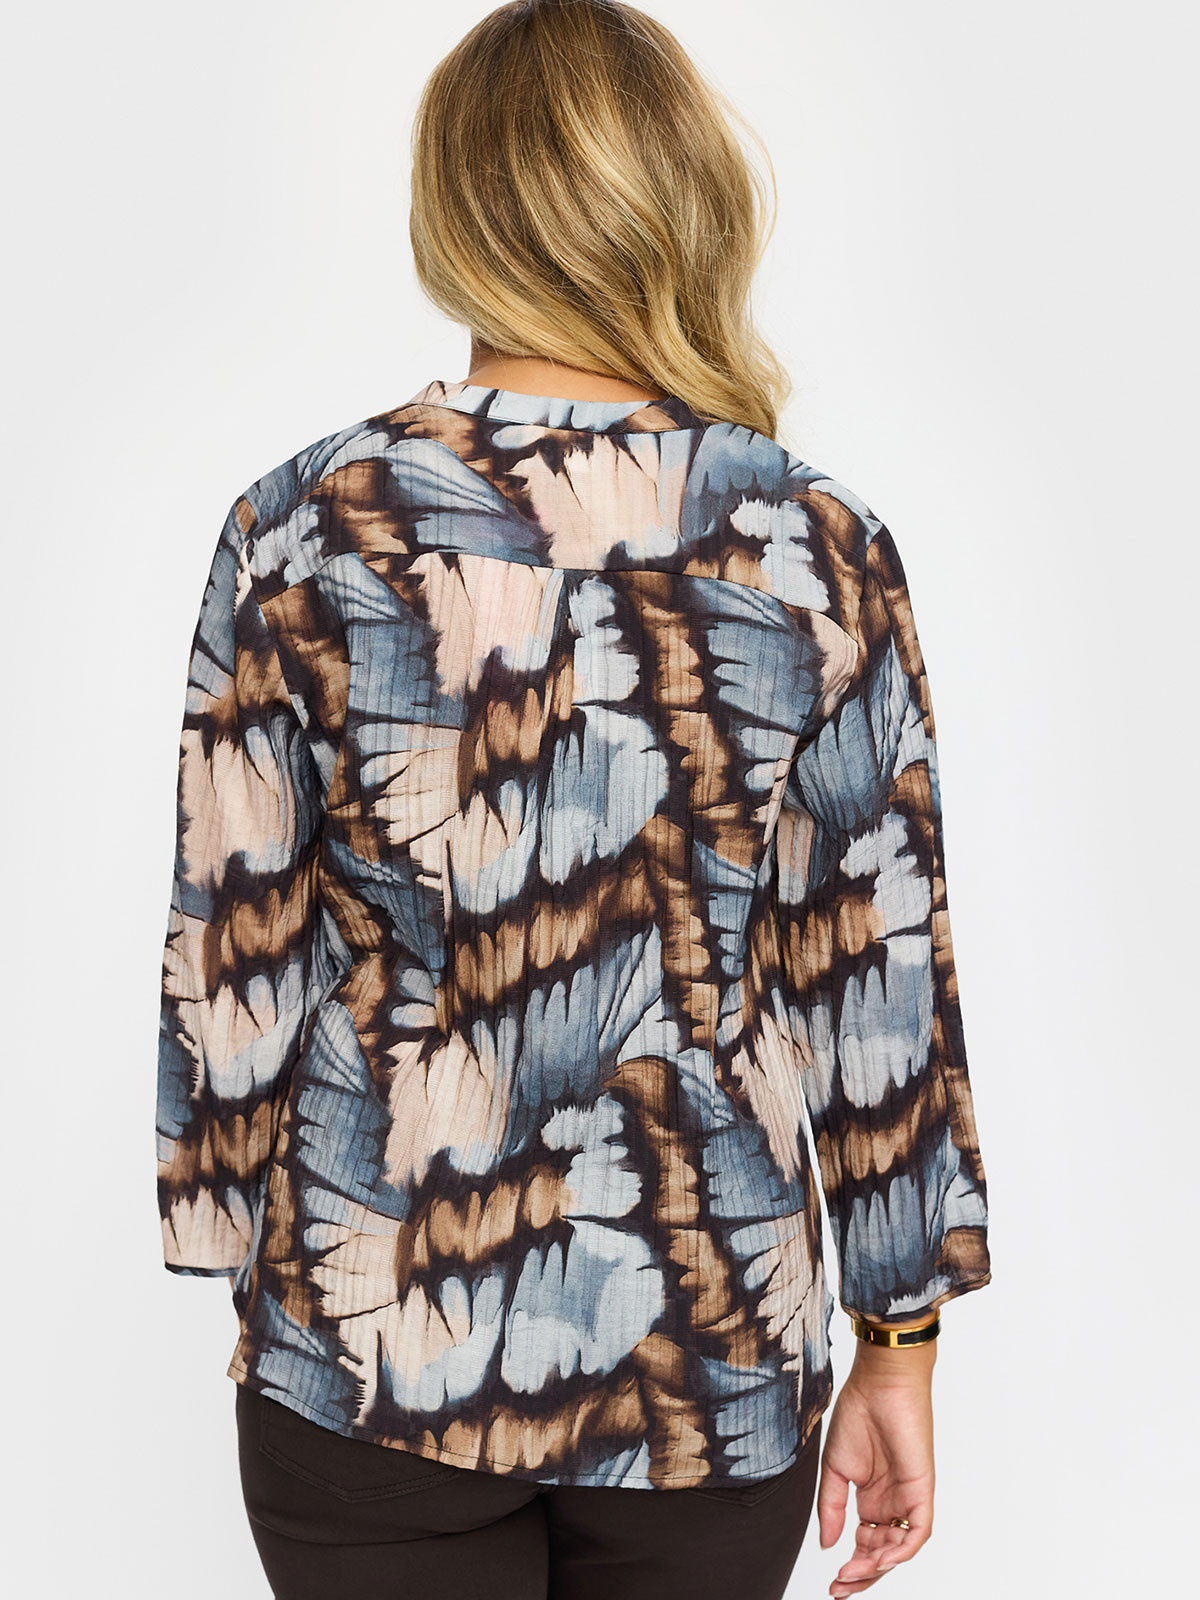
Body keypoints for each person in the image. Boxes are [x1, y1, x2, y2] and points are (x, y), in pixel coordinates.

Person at [154, 4, 992, 1597]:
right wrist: (901, 1341)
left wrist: (223, 1215)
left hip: (372, 1339)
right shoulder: (813, 543)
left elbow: (234, 947)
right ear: (681, 192)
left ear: (458, 206)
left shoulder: (305, 523)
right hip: (707, 1345)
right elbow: (874, 978)